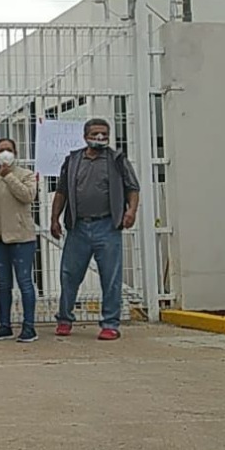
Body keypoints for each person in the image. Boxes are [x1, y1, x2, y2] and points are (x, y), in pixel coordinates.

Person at [51, 118, 140, 341]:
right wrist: (55, 219)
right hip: (78, 227)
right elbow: (61, 192)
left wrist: (131, 211)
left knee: (111, 277)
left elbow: (133, 188)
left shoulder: (117, 159)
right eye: (95, 133)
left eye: (104, 134)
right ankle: (64, 318)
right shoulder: (73, 160)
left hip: (107, 226)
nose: (100, 137)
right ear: (85, 136)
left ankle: (110, 324)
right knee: (69, 274)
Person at [0, 138, 39, 343]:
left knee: (25, 282)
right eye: (1, 150)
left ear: (15, 153)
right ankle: (5, 326)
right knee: (3, 284)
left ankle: (29, 327)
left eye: (9, 150)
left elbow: (27, 196)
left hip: (22, 238)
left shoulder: (26, 175)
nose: (5, 153)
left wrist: (9, 176)